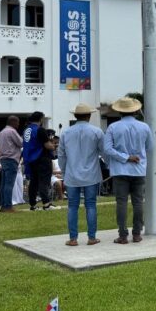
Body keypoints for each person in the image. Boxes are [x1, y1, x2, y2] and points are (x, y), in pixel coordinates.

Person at [104, 96, 153, 243]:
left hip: (120, 170)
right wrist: (134, 156)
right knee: (138, 202)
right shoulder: (144, 127)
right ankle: (137, 233)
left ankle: (122, 234)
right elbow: (150, 147)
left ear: (120, 112)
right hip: (138, 169)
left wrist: (125, 157)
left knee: (121, 202)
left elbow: (107, 149)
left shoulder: (113, 127)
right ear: (135, 111)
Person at [58, 103, 104, 246]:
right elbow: (104, 152)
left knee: (72, 206)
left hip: (72, 174)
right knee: (91, 205)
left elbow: (61, 155)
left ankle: (73, 238)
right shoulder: (97, 131)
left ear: (75, 116)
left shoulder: (65, 132)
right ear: (89, 116)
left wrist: (65, 171)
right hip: (91, 174)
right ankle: (91, 237)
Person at [23, 111, 57, 211]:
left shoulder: (26, 130)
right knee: (43, 181)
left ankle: (33, 205)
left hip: (30, 158)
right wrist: (53, 146)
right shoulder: (40, 130)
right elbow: (47, 145)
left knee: (33, 182)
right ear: (41, 119)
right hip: (41, 158)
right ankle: (46, 203)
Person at [0, 115, 22, 213]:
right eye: (18, 122)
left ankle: (3, 206)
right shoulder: (12, 131)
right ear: (13, 122)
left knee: (3, 184)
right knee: (9, 184)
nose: (18, 124)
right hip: (11, 159)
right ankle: (8, 206)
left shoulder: (1, 132)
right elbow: (21, 143)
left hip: (3, 159)